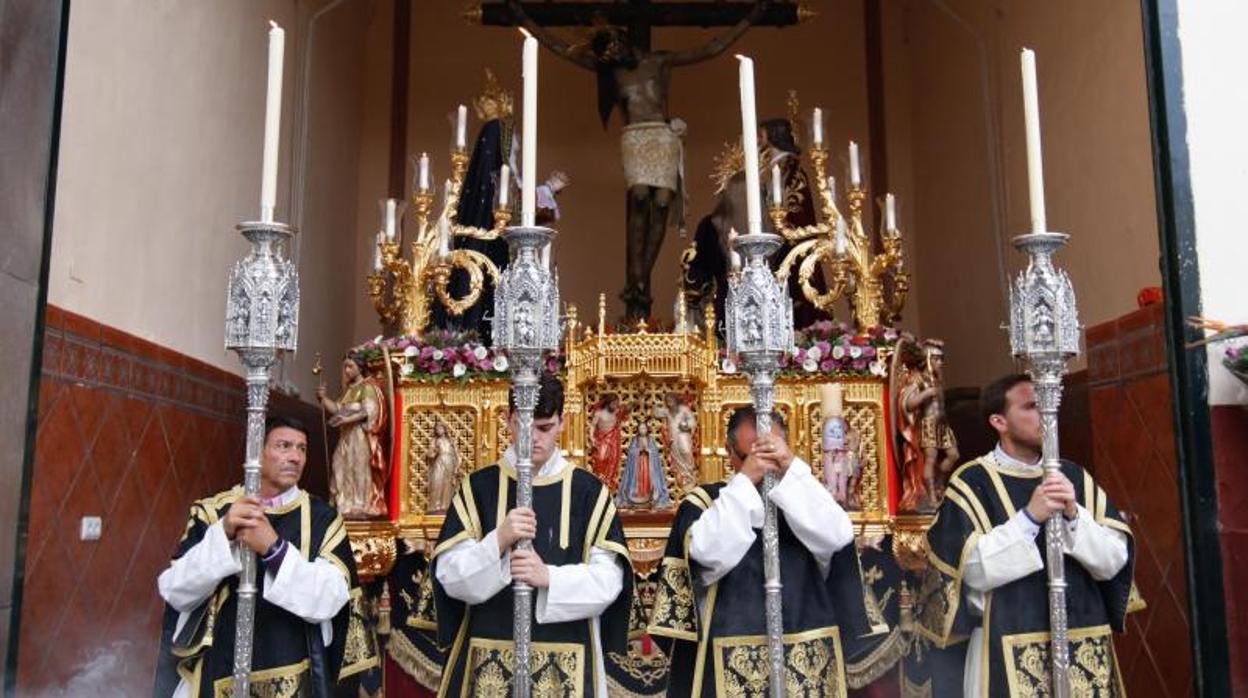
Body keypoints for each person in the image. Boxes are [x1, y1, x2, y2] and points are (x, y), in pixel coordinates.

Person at [914, 373, 1136, 696]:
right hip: (1005, 640)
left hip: (1082, 639)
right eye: (1032, 406)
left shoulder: (1073, 476)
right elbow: (971, 573)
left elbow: (1113, 561)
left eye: (1048, 405)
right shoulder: (973, 481)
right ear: (999, 421)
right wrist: (1030, 518)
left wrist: (1074, 515)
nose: (1046, 415)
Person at [647, 407, 882, 696]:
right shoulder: (707, 504)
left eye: (770, 456)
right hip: (728, 661)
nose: (763, 466)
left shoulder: (803, 497)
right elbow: (709, 553)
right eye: (750, 457)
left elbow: (838, 536)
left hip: (804, 657)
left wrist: (791, 468)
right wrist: (745, 482)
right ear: (730, 453)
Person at [431, 373, 633, 696]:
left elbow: (610, 582)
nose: (534, 438)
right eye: (524, 425)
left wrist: (549, 577)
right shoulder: (478, 488)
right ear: (509, 421)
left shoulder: (588, 492)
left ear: (563, 423)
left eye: (544, 427)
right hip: (488, 657)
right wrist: (497, 541)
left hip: (568, 662)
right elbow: (449, 575)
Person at [153, 415, 377, 697]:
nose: (295, 457)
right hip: (220, 671)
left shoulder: (322, 519)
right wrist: (223, 534)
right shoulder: (215, 512)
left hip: (294, 671)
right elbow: (175, 590)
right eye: (284, 446)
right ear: (257, 451)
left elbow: (331, 598)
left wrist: (274, 550)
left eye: (302, 449)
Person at [317, 356, 388, 518]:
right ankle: (344, 503)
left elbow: (369, 411)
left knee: (358, 467)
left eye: (350, 366)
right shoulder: (351, 389)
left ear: (360, 367)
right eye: (345, 367)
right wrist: (323, 398)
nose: (347, 370)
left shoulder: (368, 386)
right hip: (346, 436)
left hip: (360, 436)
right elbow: (338, 408)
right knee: (339, 465)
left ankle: (360, 504)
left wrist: (346, 419)